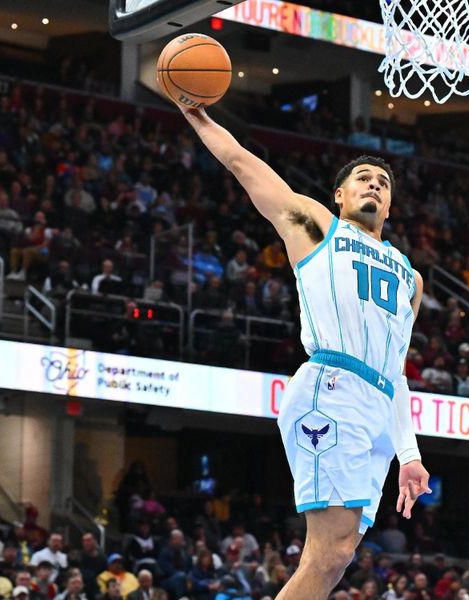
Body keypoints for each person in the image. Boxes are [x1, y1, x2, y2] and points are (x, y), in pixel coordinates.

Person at [179, 104, 431, 600]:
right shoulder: (318, 226)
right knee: (329, 552)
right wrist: (197, 115)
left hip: (378, 406)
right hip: (331, 388)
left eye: (383, 182)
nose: (374, 185)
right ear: (339, 195)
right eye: (363, 178)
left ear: (391, 205)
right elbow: (242, 163)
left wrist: (410, 453)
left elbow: (396, 371)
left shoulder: (411, 277)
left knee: (337, 560)